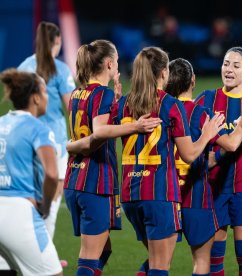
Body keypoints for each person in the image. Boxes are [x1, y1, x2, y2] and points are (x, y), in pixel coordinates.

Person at [115, 47, 226, 276]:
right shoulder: (169, 104)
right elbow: (189, 154)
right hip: (158, 194)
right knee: (160, 266)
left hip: (129, 195)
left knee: (154, 260)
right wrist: (207, 133)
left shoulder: (125, 102)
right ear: (164, 72)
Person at [64, 39, 151, 276]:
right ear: (110, 64)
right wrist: (136, 127)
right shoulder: (101, 93)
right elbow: (100, 131)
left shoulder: (77, 93)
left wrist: (113, 102)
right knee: (91, 255)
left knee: (102, 251)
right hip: (95, 181)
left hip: (74, 179)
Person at [165, 58, 242, 276]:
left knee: (158, 261)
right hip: (195, 197)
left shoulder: (160, 111)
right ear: (193, 80)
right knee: (202, 261)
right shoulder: (200, 113)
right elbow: (230, 144)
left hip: (163, 195)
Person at [194, 46, 242, 276]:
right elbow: (191, 135)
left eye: (235, 65)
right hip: (214, 186)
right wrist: (205, 156)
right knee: (215, 259)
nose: (228, 70)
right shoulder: (207, 98)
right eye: (225, 63)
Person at [17, 21, 76, 242]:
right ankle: (44, 252)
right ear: (58, 41)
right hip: (54, 141)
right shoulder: (59, 69)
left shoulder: (24, 67)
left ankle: (24, 249)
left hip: (27, 140)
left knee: (29, 197)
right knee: (52, 197)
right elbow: (72, 107)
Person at [0, 69, 62, 275]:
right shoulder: (38, 129)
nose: (47, 98)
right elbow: (52, 174)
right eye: (45, 92)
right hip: (20, 212)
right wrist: (44, 206)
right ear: (35, 98)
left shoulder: (1, 123)